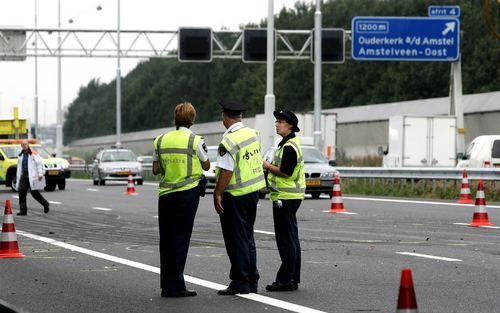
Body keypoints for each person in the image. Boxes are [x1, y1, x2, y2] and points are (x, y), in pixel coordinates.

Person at [152, 102, 210, 298]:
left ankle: (166, 286)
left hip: (166, 195)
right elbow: (206, 165)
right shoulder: (195, 140)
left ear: (175, 118)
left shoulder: (160, 140)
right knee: (180, 239)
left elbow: (155, 169)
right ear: (192, 119)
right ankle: (177, 285)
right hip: (186, 194)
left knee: (166, 240)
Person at [214, 99, 266, 295]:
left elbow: (226, 171)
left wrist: (218, 192)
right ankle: (252, 279)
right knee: (247, 237)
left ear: (225, 116)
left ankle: (240, 281)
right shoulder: (253, 134)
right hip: (252, 192)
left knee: (236, 240)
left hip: (235, 194)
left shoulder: (228, 140)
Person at [262, 110, 305, 292]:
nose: (276, 124)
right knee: (291, 239)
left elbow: (285, 172)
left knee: (286, 240)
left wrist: (266, 166)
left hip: (285, 197)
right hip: (289, 197)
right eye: (277, 121)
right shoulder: (287, 143)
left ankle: (285, 279)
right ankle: (293, 278)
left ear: (290, 125)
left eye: (280, 121)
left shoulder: (289, 146)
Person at [16, 140, 50, 216]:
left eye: (26, 144)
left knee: (34, 193)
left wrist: (40, 174)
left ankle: (45, 204)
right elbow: (19, 168)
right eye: (23, 144)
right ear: (21, 146)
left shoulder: (33, 153)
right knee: (21, 192)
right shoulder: (20, 155)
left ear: (28, 145)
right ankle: (23, 210)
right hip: (24, 175)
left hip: (32, 176)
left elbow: (39, 164)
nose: (24, 145)